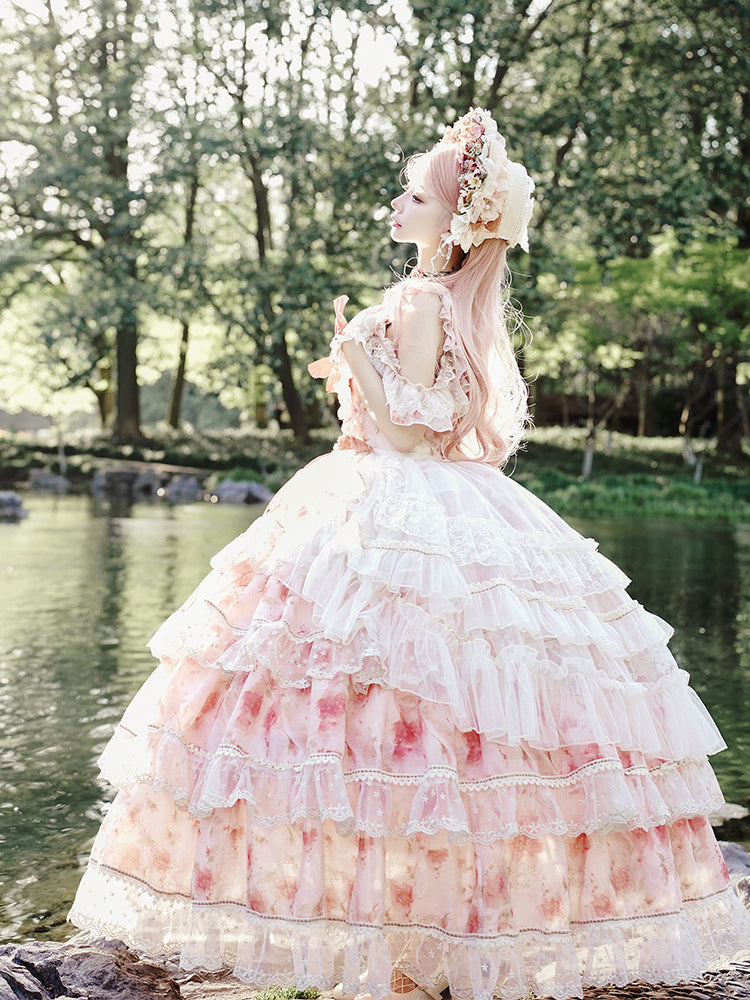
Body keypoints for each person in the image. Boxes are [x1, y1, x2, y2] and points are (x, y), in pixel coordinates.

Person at [69, 108, 750, 1000]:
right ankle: (409, 936)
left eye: (416, 196)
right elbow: (400, 414)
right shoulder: (428, 296)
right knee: (383, 698)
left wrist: (358, 352)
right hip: (383, 491)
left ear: (454, 221)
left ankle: (399, 942)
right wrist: (357, 365)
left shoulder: (425, 300)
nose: (398, 203)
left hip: (400, 497)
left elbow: (415, 430)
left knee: (389, 693)